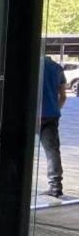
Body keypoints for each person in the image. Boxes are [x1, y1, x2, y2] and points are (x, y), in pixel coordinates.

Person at [40, 55, 68, 198]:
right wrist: (54, 109)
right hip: (51, 115)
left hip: (30, 115)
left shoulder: (31, 65)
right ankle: (55, 187)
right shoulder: (57, 68)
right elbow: (63, 96)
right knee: (52, 151)